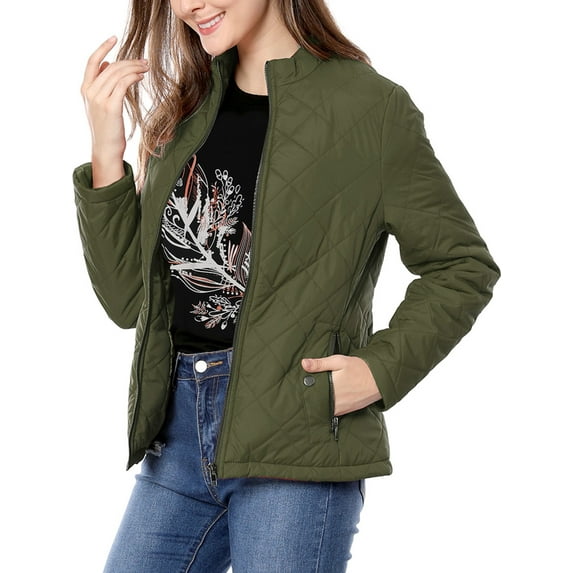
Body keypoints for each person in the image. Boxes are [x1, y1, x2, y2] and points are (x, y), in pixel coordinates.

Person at [73, 0, 500, 571]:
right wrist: (107, 154)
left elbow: (462, 266)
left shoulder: (370, 108)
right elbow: (131, 301)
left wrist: (378, 371)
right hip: (176, 437)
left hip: (296, 444)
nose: (190, 5)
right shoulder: (188, 110)